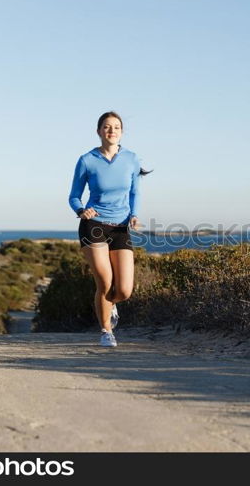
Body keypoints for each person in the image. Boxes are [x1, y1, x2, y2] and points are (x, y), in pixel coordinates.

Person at [68, 111, 149, 347]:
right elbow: (74, 195)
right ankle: (106, 330)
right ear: (99, 131)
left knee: (123, 290)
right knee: (104, 281)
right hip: (93, 225)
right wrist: (82, 210)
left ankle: (111, 305)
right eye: (106, 127)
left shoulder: (131, 159)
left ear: (121, 132)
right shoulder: (87, 160)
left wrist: (134, 215)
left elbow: (135, 192)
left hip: (121, 227)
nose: (111, 130)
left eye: (116, 127)